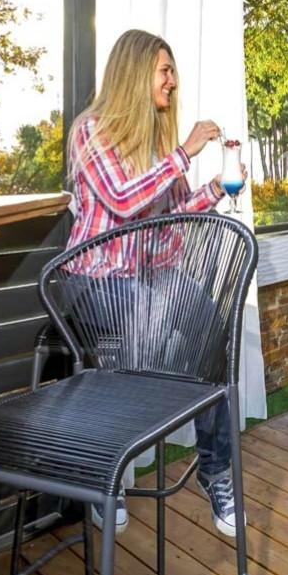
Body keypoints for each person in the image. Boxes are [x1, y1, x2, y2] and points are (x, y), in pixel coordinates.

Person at [66, 28, 244, 537]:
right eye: (164, 70)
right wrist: (186, 152)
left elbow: (171, 215)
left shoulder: (157, 145)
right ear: (135, 72)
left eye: (172, 71)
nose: (172, 80)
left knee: (210, 332)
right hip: (94, 282)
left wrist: (212, 187)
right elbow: (123, 201)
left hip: (149, 279)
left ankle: (216, 472)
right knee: (151, 327)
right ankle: (108, 468)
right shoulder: (92, 131)